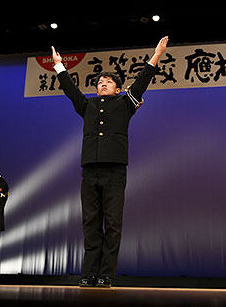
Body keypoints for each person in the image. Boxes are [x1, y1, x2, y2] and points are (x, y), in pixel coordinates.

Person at [51, 36, 168, 288]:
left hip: (115, 171)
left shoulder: (126, 103)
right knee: (90, 223)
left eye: (109, 82)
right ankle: (89, 273)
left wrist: (156, 54)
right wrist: (60, 67)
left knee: (113, 224)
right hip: (90, 171)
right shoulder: (87, 104)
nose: (103, 84)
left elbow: (141, 82)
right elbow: (71, 90)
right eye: (100, 82)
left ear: (118, 88)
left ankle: (106, 274)